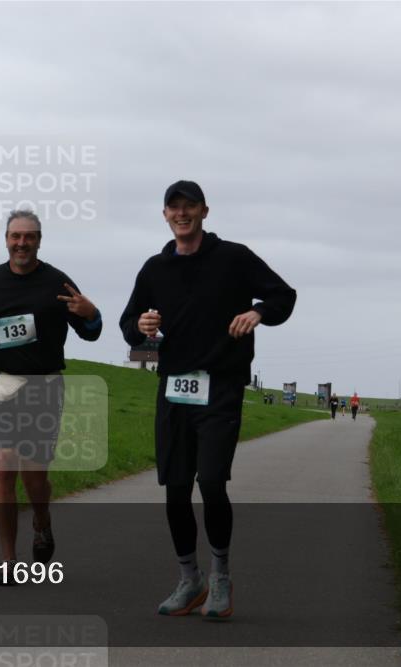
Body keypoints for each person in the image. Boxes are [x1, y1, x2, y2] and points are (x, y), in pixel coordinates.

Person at [119, 180, 295, 619]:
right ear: (164, 215)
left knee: (212, 482)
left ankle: (220, 577)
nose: (182, 214)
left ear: (204, 211)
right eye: (173, 207)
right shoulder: (154, 268)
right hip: (175, 388)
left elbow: (283, 295)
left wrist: (257, 312)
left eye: (190, 207)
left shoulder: (233, 258)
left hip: (220, 386)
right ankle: (188, 579)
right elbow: (128, 324)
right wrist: (141, 325)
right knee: (176, 489)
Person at [0, 210, 102, 578]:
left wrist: (92, 312)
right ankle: (7, 560)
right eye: (15, 236)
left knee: (34, 476)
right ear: (6, 240)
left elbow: (91, 332)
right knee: (2, 469)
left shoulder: (58, 282)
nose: (21, 243)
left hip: (43, 386)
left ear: (39, 240)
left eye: (29, 237)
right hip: (0, 383)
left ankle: (42, 520)